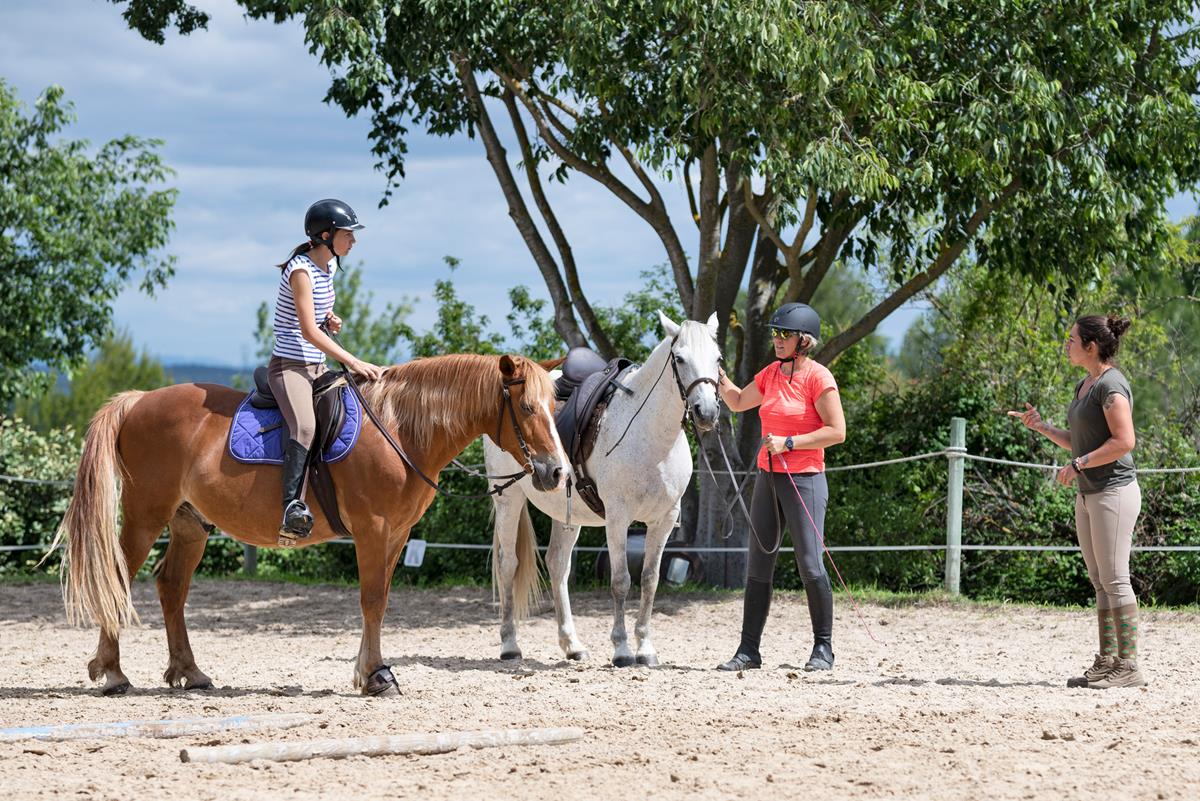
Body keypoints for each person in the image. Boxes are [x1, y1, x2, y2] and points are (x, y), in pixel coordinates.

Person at [1008, 314, 1144, 689]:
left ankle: (1129, 666)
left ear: (1091, 346)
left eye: (1071, 340)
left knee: (1115, 579)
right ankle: (1108, 660)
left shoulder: (1111, 385)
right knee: (1100, 581)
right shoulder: (1086, 385)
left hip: (1113, 491)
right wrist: (1043, 428)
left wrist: (1080, 464)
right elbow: (1082, 441)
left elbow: (1124, 441)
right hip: (1090, 493)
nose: (1066, 345)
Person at [714, 302, 846, 672]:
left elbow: (837, 431)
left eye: (784, 334)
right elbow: (739, 402)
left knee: (809, 564)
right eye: (775, 333)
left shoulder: (819, 378)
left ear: (803, 340)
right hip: (767, 477)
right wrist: (718, 378)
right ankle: (748, 650)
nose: (777, 339)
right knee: (758, 565)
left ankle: (823, 649)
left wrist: (790, 442)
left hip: (805, 479)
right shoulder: (771, 373)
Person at [270, 198, 384, 540]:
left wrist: (329, 320)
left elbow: (315, 321)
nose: (353, 241)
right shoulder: (300, 271)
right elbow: (306, 331)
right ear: (325, 235)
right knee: (305, 427)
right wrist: (352, 360)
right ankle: (291, 507)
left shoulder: (329, 267)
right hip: (289, 367)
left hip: (316, 367)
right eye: (348, 234)